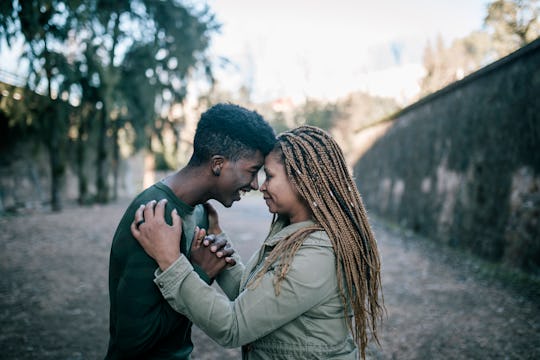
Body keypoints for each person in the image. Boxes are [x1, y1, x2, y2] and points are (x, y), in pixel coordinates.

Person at [132, 125, 385, 359]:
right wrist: (218, 239)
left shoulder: (318, 254)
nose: (260, 186)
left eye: (270, 176)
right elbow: (255, 300)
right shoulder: (291, 228)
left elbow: (234, 326)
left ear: (301, 180)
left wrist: (170, 260)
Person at [105, 103, 276, 359]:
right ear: (218, 163)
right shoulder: (154, 215)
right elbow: (132, 340)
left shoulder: (199, 213)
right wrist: (200, 273)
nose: (254, 185)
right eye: (252, 172)